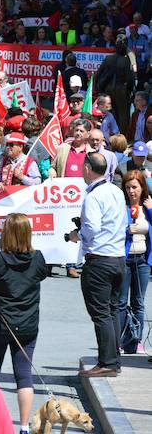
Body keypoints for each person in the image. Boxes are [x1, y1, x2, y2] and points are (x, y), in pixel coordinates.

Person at [0, 213, 50, 434]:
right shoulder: (38, 258)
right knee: (24, 376)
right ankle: (24, 426)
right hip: (27, 325)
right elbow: (42, 274)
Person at [67, 152, 128, 376]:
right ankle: (112, 360)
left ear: (87, 168)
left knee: (102, 313)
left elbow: (91, 228)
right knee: (111, 311)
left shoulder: (94, 196)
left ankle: (108, 362)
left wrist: (76, 235)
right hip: (117, 258)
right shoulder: (116, 191)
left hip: (100, 260)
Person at [118, 170, 152, 354]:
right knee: (121, 302)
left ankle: (137, 340)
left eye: (134, 187)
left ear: (142, 188)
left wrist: (151, 209)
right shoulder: (121, 207)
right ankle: (120, 340)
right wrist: (126, 230)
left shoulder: (148, 206)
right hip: (124, 260)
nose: (131, 191)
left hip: (142, 261)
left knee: (138, 302)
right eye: (128, 187)